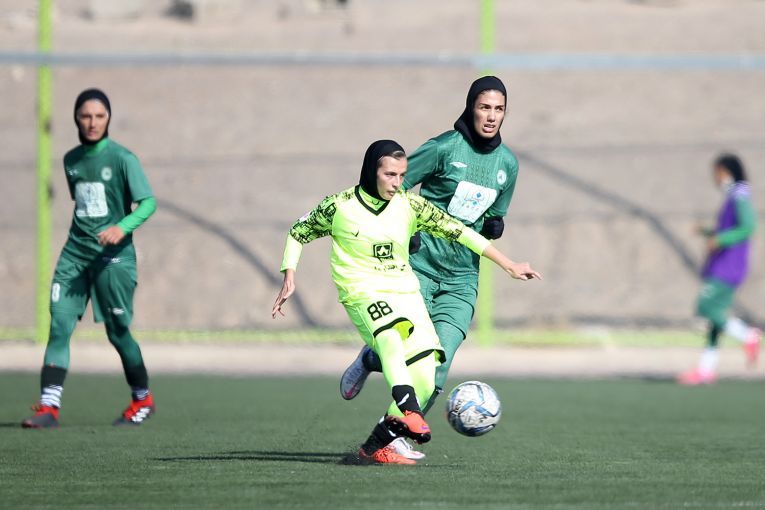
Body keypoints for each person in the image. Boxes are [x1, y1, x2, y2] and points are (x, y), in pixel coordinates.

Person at [272, 140, 540, 465]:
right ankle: (408, 408)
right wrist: (289, 274)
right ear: (371, 172)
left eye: (402, 175)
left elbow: (460, 232)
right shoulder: (339, 206)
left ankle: (375, 447)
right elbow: (298, 231)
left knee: (427, 377)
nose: (397, 182)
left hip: (404, 291)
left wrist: (508, 264)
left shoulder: (410, 206)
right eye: (390, 174)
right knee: (390, 335)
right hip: (362, 291)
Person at [339, 76, 518, 458]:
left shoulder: (508, 165)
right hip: (418, 268)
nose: (491, 116)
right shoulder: (442, 148)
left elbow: (495, 217)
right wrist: (403, 229)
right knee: (404, 348)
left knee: (438, 362)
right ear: (471, 108)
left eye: (499, 109)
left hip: (462, 278)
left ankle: (387, 440)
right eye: (484, 107)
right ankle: (372, 356)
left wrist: (495, 226)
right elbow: (392, 188)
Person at [22, 89, 158, 428]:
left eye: (99, 116)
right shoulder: (71, 161)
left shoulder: (123, 158)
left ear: (108, 118)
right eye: (86, 116)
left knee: (117, 331)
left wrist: (122, 227)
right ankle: (49, 407)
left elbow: (148, 203)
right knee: (59, 325)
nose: (92, 122)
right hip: (75, 255)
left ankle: (143, 398)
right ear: (76, 119)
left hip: (113, 258)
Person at [678, 154, 760, 385]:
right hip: (721, 263)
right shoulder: (732, 197)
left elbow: (748, 227)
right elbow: (727, 229)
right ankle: (706, 370)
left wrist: (721, 239)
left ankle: (748, 336)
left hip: (729, 266)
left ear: (728, 172)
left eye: (718, 173)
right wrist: (708, 232)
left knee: (705, 306)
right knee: (716, 322)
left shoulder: (740, 196)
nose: (716, 178)